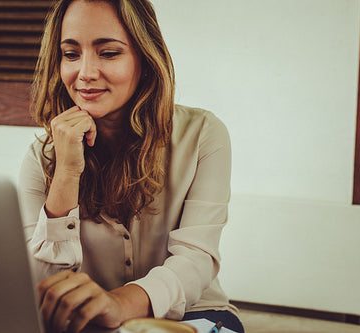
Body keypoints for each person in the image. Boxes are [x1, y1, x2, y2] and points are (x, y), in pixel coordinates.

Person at [18, 0, 244, 332]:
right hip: (87, 323)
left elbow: (196, 259)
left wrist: (119, 303)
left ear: (145, 56)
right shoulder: (42, 155)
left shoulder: (203, 134)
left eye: (108, 53)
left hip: (191, 316)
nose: (85, 73)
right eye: (70, 54)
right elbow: (43, 288)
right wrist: (66, 171)